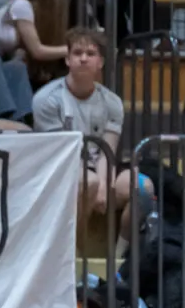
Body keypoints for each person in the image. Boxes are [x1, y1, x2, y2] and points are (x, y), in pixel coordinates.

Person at [31, 27, 129, 213]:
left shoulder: (112, 102)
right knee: (89, 182)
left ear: (100, 62)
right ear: (67, 60)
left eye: (90, 54)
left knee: (141, 187)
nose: (83, 58)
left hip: (97, 168)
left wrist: (103, 185)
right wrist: (96, 184)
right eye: (77, 53)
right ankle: (74, 234)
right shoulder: (46, 99)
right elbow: (59, 153)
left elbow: (107, 153)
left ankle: (125, 236)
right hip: (59, 167)